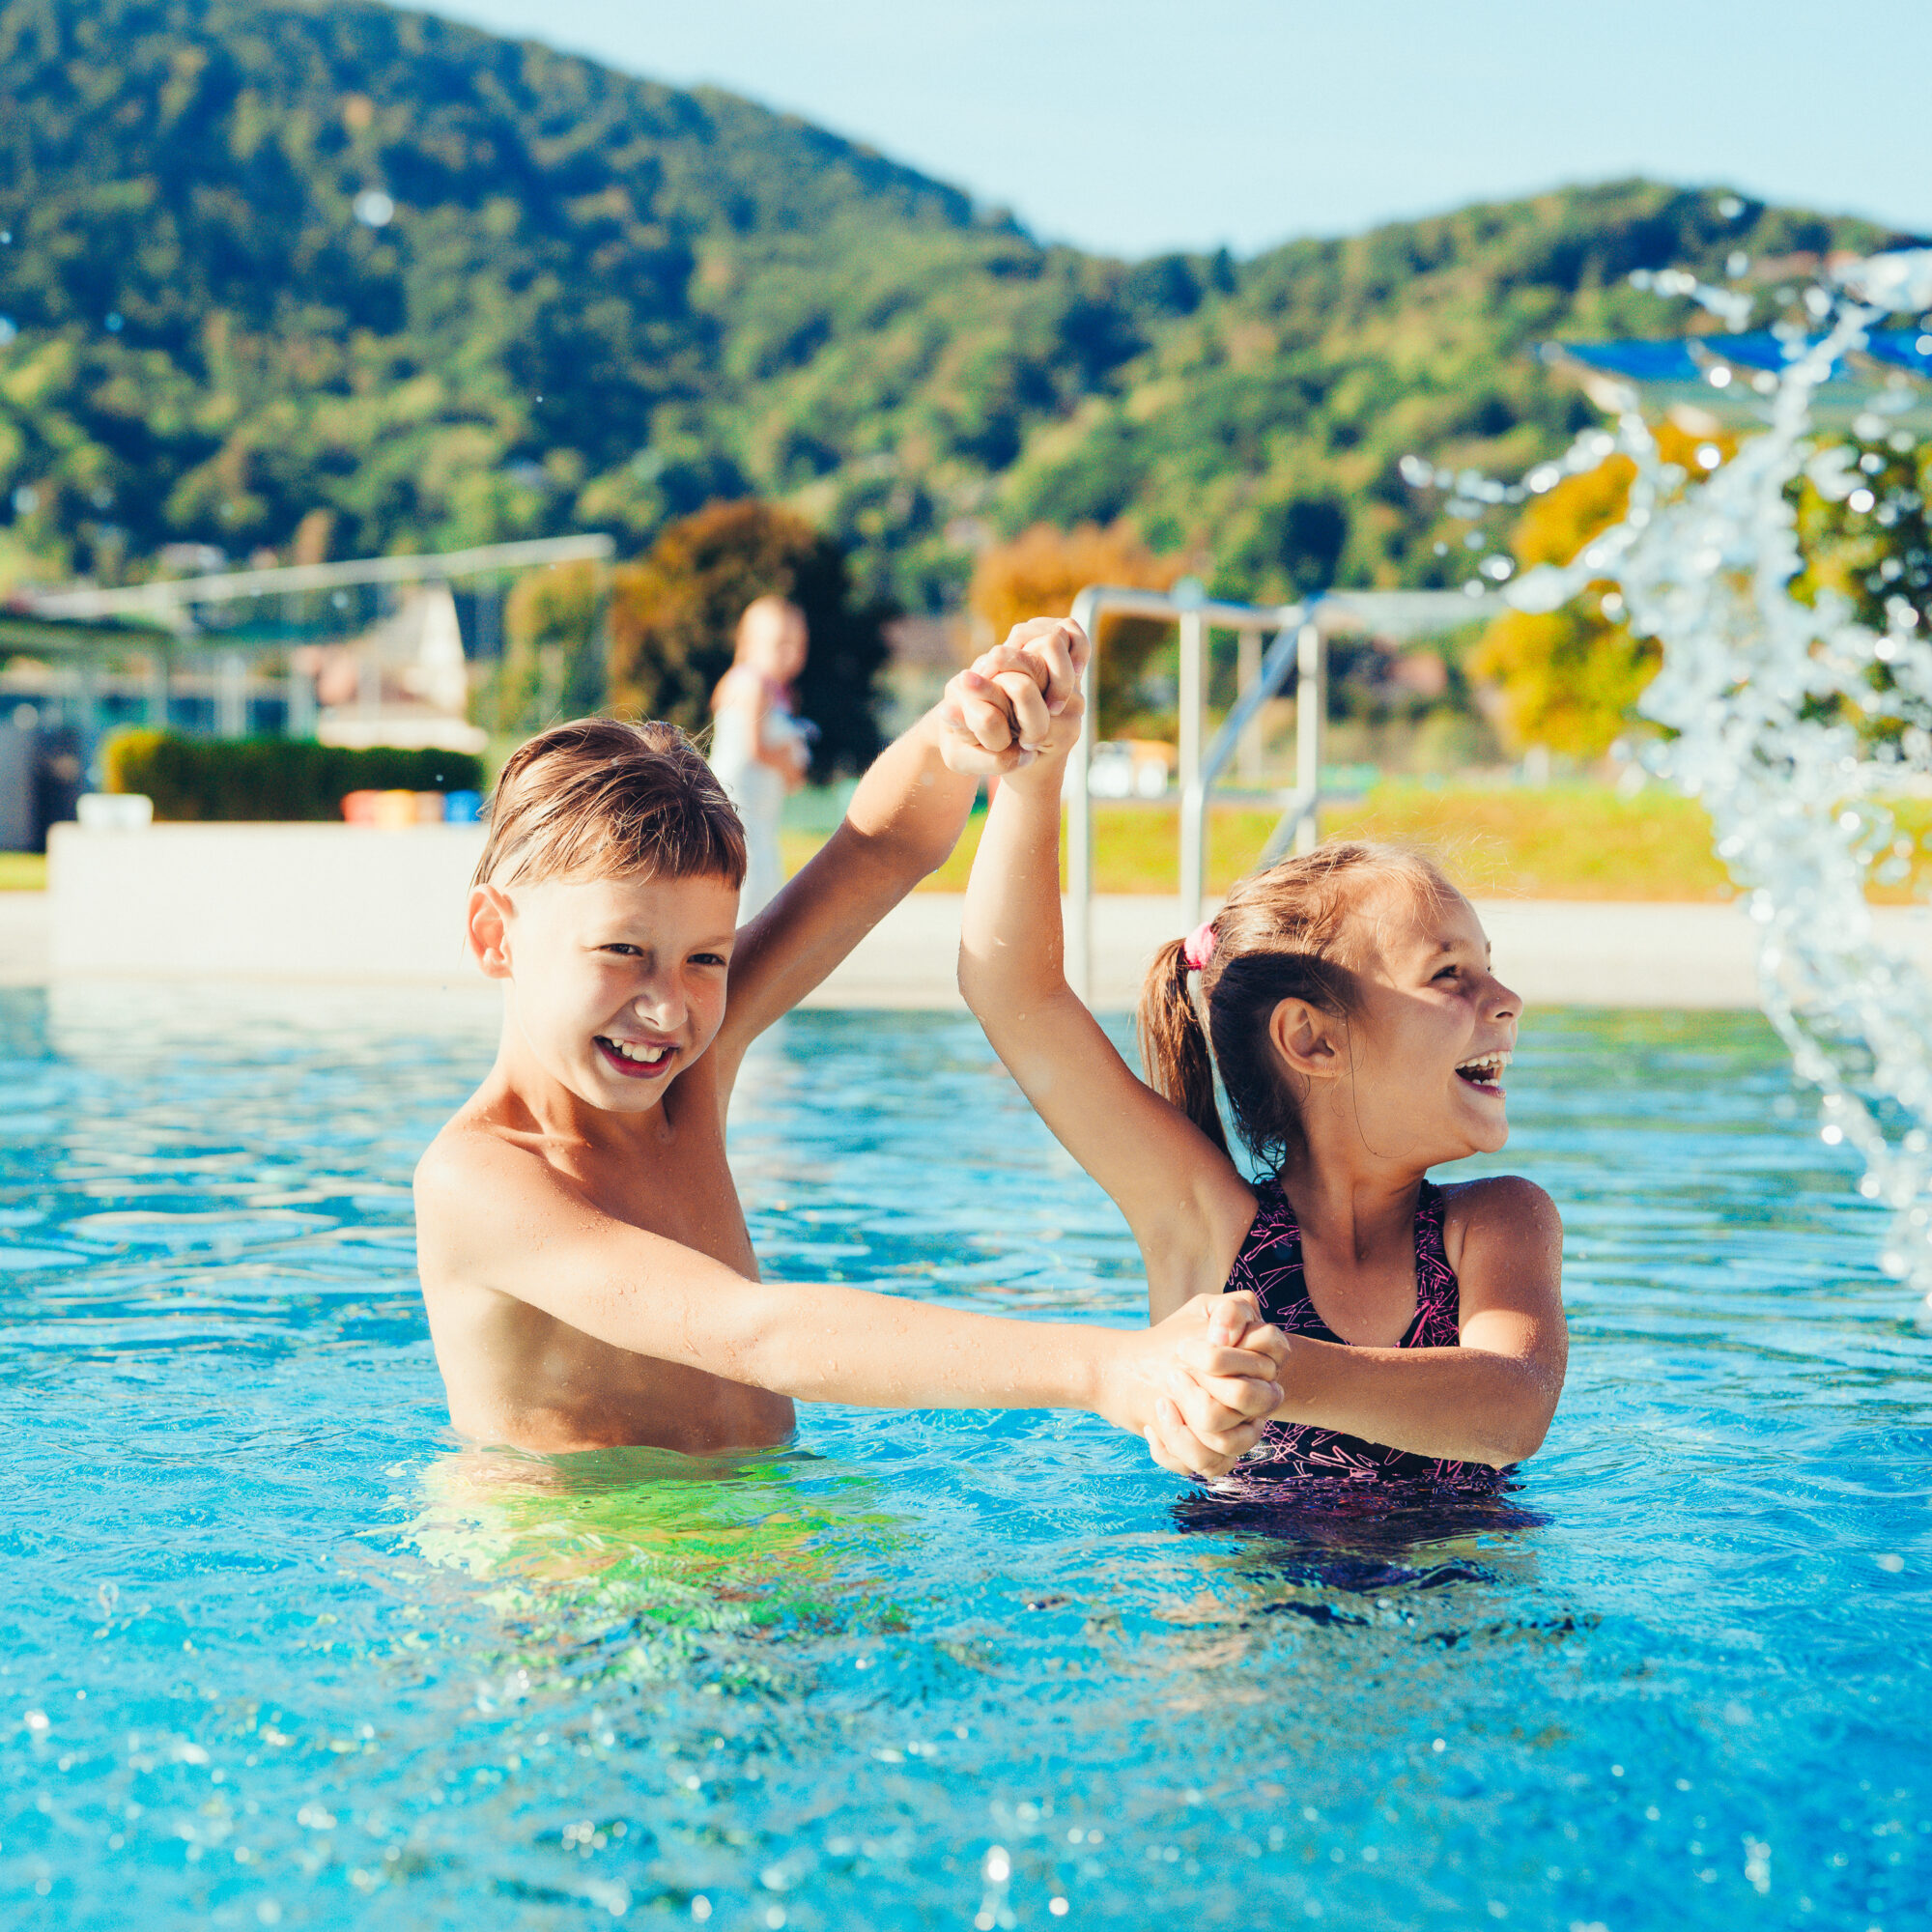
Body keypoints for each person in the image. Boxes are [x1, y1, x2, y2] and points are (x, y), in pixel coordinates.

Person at [413, 632, 1288, 1475]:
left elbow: (879, 853)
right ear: (496, 937)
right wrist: (1111, 1370)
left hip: (757, 1525)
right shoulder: (479, 1179)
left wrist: (969, 725)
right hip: (577, 1589)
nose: (668, 1006)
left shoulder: (689, 1073)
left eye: (707, 959)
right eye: (621, 952)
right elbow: (749, 1332)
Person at [940, 625, 1568, 1485]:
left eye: (1489, 967)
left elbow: (1512, 1409)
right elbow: (1015, 995)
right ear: (1312, 1039)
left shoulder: (1495, 1224)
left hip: (1457, 1596)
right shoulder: (1206, 1225)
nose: (1505, 1000)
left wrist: (1272, 1371)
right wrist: (1035, 773)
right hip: (1249, 1598)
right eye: (1449, 974)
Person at [708, 595, 813, 920]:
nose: (790, 654)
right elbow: (755, 748)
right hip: (739, 811)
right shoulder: (751, 683)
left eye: (797, 645)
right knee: (749, 894)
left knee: (765, 892)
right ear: (750, 643)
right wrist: (786, 762)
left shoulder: (777, 692)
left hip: (762, 816)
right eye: (780, 644)